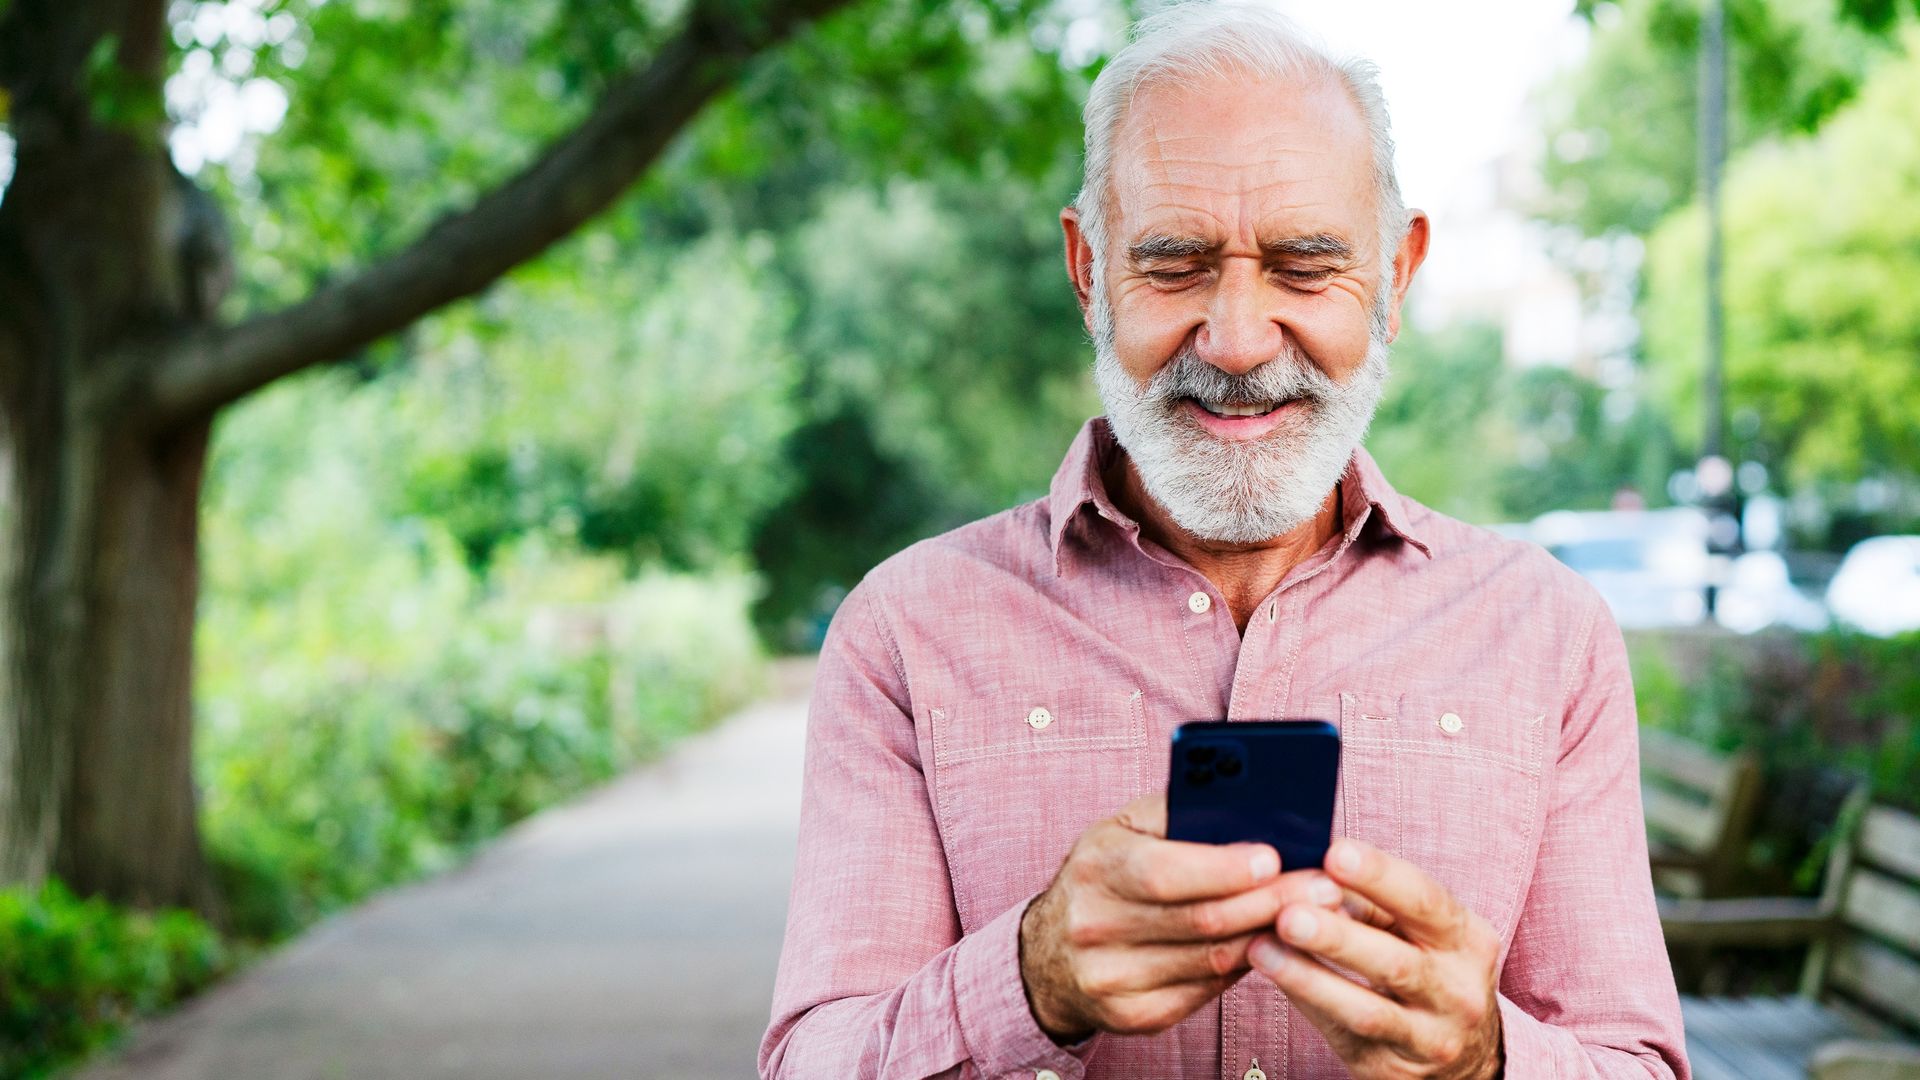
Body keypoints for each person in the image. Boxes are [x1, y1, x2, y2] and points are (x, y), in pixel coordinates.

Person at [759, 4, 1690, 1078]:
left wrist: (1486, 1058)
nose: (1239, 342)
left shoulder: (1549, 634)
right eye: (1173, 264)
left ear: (1395, 274)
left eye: (1304, 267)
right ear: (1087, 270)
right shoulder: (904, 633)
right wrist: (1032, 979)